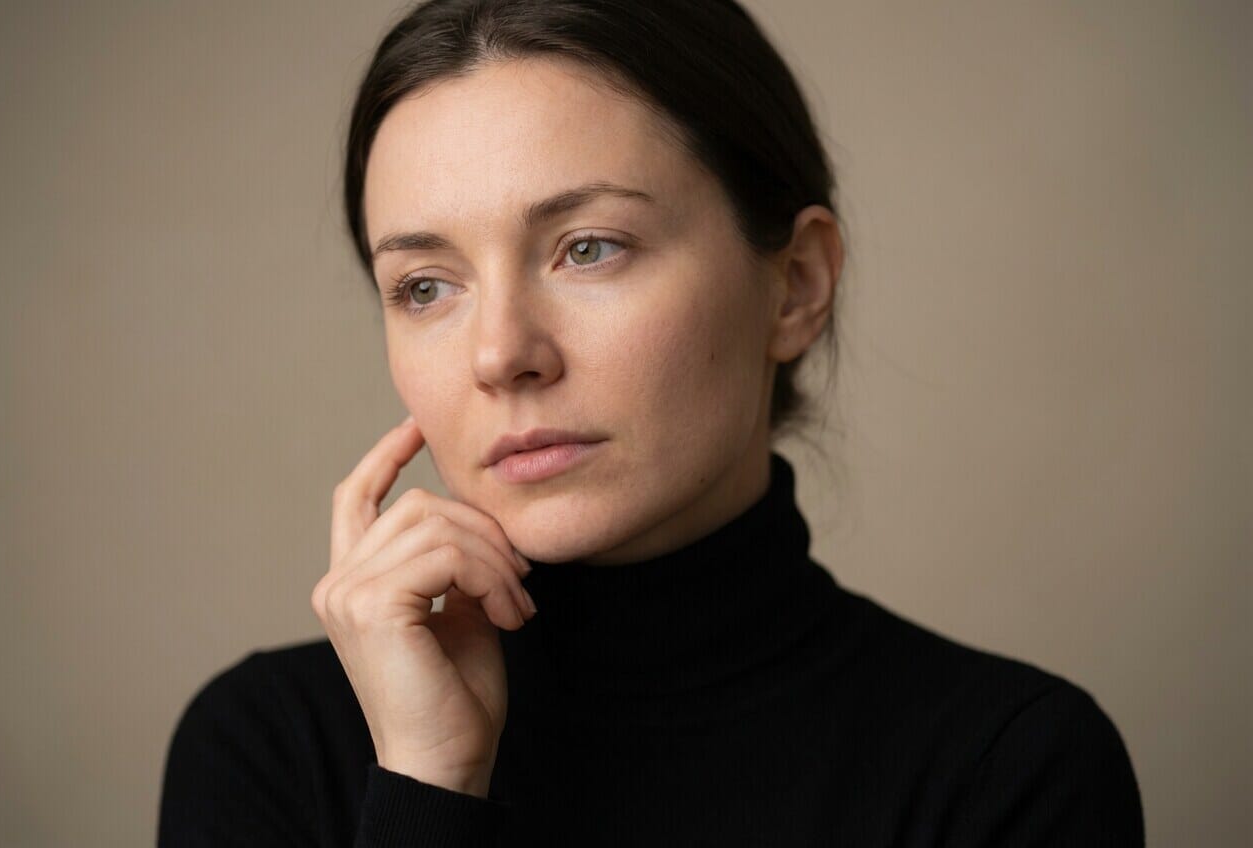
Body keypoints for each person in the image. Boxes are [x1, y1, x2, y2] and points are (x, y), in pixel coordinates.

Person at [157, 0, 1145, 845]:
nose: (502, 352)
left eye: (588, 247)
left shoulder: (1005, 768)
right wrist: (425, 783)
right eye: (424, 285)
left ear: (795, 283)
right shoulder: (267, 747)